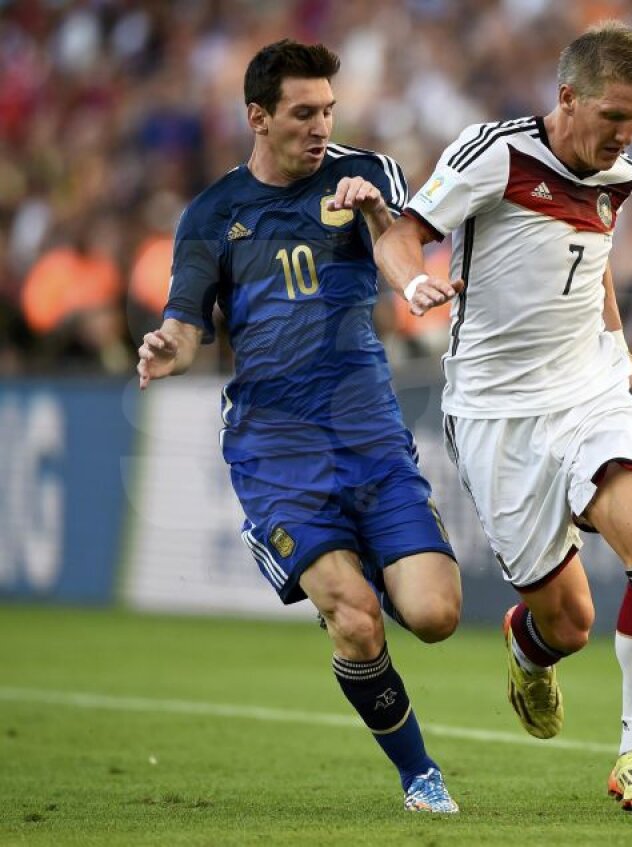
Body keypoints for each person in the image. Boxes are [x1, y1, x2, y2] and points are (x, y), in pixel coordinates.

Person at [135, 40, 461, 814]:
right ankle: (420, 774)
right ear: (258, 117)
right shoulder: (214, 214)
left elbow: (390, 242)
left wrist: (404, 264)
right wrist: (164, 348)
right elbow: (186, 329)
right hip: (275, 445)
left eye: (329, 111)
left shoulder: (365, 175)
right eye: (304, 113)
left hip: (367, 432)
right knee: (355, 616)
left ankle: (368, 568)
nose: (321, 127)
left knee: (436, 615)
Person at [375, 20, 632, 814]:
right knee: (570, 620)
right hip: (496, 413)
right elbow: (403, 234)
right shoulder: (497, 153)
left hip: (587, 391)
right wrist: (414, 285)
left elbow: (597, 262)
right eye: (613, 116)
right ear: (567, 98)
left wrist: (621, 357)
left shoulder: (618, 174)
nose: (624, 136)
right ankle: (527, 645)